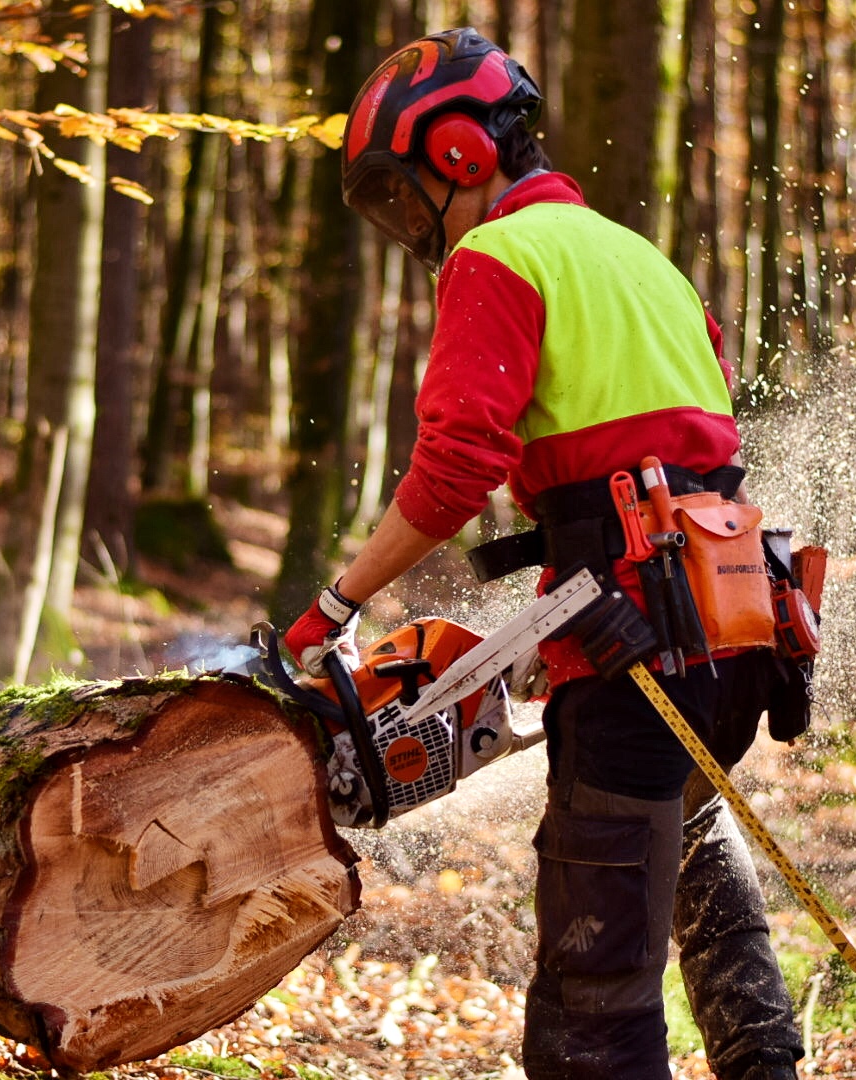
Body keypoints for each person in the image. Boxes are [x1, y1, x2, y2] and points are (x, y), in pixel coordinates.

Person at [282, 28, 805, 1080]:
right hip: (741, 627)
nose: (407, 222)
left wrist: (337, 603)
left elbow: (454, 472)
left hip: (634, 650)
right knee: (692, 841)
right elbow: (690, 444)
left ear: (465, 156)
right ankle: (768, 1062)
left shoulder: (498, 257)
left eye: (404, 190)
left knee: (593, 1009)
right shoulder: (636, 255)